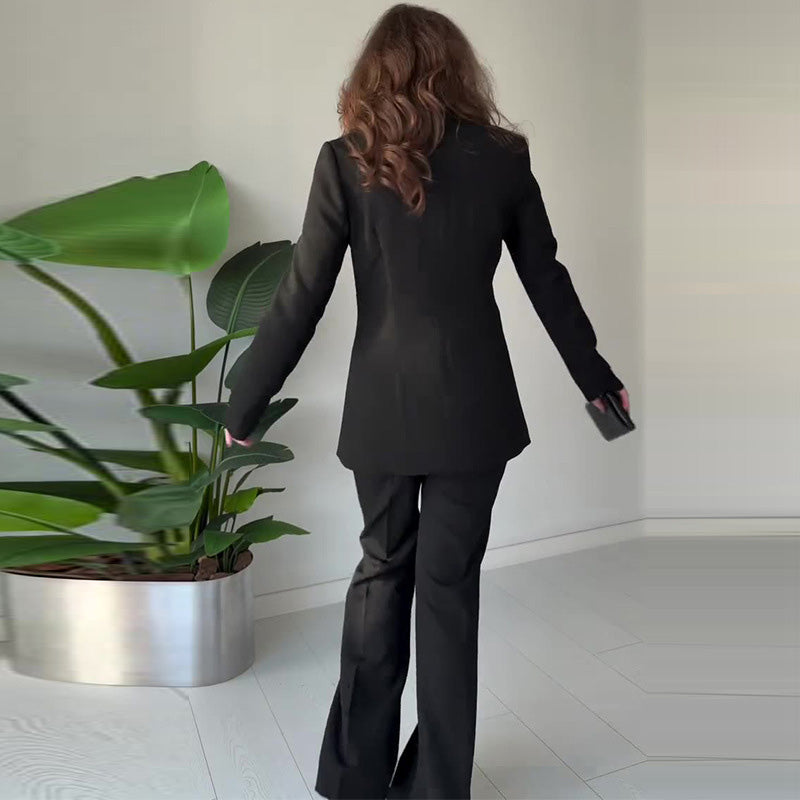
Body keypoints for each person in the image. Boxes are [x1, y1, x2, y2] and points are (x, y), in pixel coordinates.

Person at [224, 4, 629, 798]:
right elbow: (547, 279)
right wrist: (601, 391)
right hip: (476, 409)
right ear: (459, 69)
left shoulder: (346, 160)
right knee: (449, 589)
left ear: (372, 74)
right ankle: (439, 786)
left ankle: (354, 777)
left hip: (382, 409)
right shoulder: (504, 158)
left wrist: (245, 405)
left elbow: (301, 295)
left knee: (382, 571)